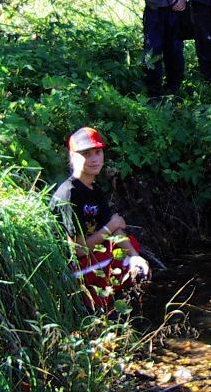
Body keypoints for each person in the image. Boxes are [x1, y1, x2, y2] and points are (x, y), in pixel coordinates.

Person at [51, 127, 150, 311]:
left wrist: (136, 258)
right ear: (73, 156)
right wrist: (110, 227)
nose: (94, 159)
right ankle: (92, 305)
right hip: (70, 268)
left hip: (93, 255)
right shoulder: (69, 194)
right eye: (86, 154)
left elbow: (115, 231)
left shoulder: (94, 190)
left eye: (98, 152)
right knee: (115, 257)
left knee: (131, 247)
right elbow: (78, 250)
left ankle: (107, 300)